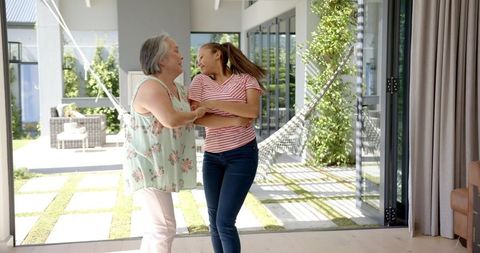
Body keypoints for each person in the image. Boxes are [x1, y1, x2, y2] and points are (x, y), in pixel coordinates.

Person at [123, 34, 207, 253]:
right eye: (176, 50)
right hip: (147, 165)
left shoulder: (178, 88)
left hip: (160, 166)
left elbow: (197, 112)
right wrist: (196, 113)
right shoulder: (152, 87)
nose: (182, 55)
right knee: (164, 227)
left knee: (156, 228)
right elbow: (170, 119)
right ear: (161, 60)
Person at [188, 42, 266, 253]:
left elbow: (252, 110)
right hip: (212, 157)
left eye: (202, 56)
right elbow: (196, 118)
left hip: (242, 155)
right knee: (214, 222)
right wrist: (233, 120)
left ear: (218, 55)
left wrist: (214, 104)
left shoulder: (246, 80)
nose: (198, 62)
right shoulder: (199, 81)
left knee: (224, 221)